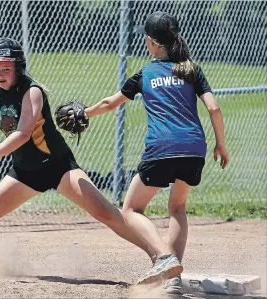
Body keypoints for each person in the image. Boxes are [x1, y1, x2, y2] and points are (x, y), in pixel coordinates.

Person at [0, 37, 156, 267]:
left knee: (106, 212)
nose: (0, 74)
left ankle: (159, 256)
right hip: (25, 173)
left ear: (18, 67)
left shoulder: (31, 91)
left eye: (6, 68)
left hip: (59, 167)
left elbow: (23, 133)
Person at [82, 11, 230, 293]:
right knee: (177, 207)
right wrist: (221, 145)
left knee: (131, 209)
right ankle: (171, 279)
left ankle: (164, 258)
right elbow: (214, 108)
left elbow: (109, 103)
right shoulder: (192, 70)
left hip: (162, 147)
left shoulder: (145, 73)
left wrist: (84, 113)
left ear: (150, 42)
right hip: (194, 147)